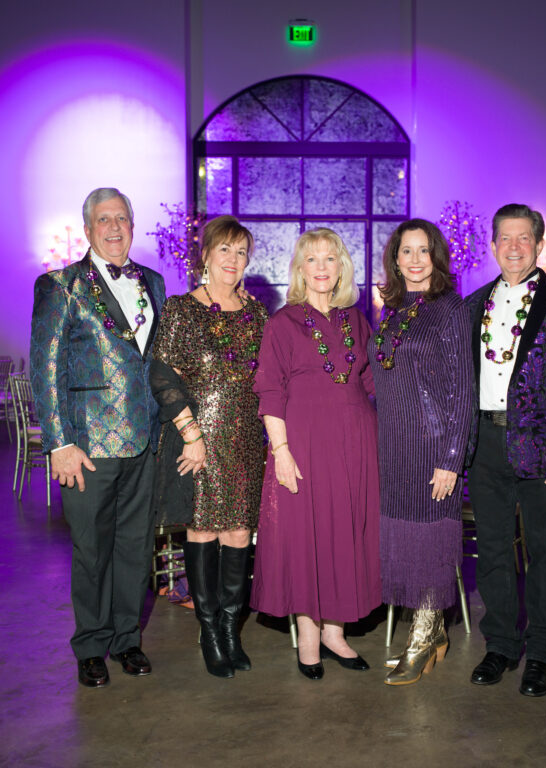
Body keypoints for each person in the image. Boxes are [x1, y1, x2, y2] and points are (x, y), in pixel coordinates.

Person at [30, 187, 168, 688]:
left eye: (123, 219)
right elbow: (45, 370)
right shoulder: (60, 286)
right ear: (87, 229)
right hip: (86, 447)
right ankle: (91, 645)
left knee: (135, 548)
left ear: (133, 226)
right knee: (91, 551)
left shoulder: (153, 282)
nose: (114, 228)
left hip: (143, 441)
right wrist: (59, 443)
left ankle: (127, 639)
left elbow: (154, 363)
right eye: (104, 219)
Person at [464, 203, 546, 697]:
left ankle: (540, 650)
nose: (514, 247)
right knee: (493, 552)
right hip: (486, 444)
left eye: (524, 238)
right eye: (505, 239)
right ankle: (501, 644)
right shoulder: (473, 305)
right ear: (493, 246)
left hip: (544, 448)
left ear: (539, 245)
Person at [251, 228, 381, 680]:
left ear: (342, 267)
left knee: (345, 532)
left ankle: (334, 633)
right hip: (302, 444)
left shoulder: (358, 320)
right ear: (300, 269)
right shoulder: (282, 323)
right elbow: (269, 390)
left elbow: (371, 384)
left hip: (356, 444)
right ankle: (308, 638)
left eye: (331, 258)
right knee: (305, 536)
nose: (322, 267)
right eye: (313, 259)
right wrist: (281, 451)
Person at [148, 215, 267, 679]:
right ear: (206, 255)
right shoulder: (181, 309)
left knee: (239, 534)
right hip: (199, 443)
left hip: (246, 442)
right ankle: (209, 632)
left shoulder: (257, 313)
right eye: (225, 250)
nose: (233, 260)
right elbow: (162, 375)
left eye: (241, 252)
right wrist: (190, 434)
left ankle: (231, 630)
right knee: (202, 532)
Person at [367, 219, 474, 686]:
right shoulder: (391, 310)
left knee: (430, 541)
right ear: (395, 259)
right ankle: (430, 632)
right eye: (405, 251)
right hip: (393, 445)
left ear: (436, 257)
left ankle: (425, 636)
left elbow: (462, 390)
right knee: (406, 539)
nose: (413, 260)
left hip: (432, 445)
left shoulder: (451, 309)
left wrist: (452, 457)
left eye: (422, 251)